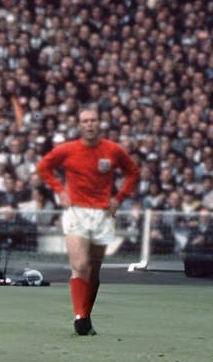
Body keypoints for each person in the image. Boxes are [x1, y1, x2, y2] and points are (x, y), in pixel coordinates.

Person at [36, 107, 140, 336]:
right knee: (80, 265)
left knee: (93, 270)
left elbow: (133, 172)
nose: (90, 124)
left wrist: (119, 198)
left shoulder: (112, 150)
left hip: (102, 214)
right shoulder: (67, 149)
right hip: (76, 212)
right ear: (79, 125)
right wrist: (59, 191)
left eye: (93, 120)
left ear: (99, 124)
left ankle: (85, 315)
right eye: (85, 121)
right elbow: (43, 167)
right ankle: (79, 317)